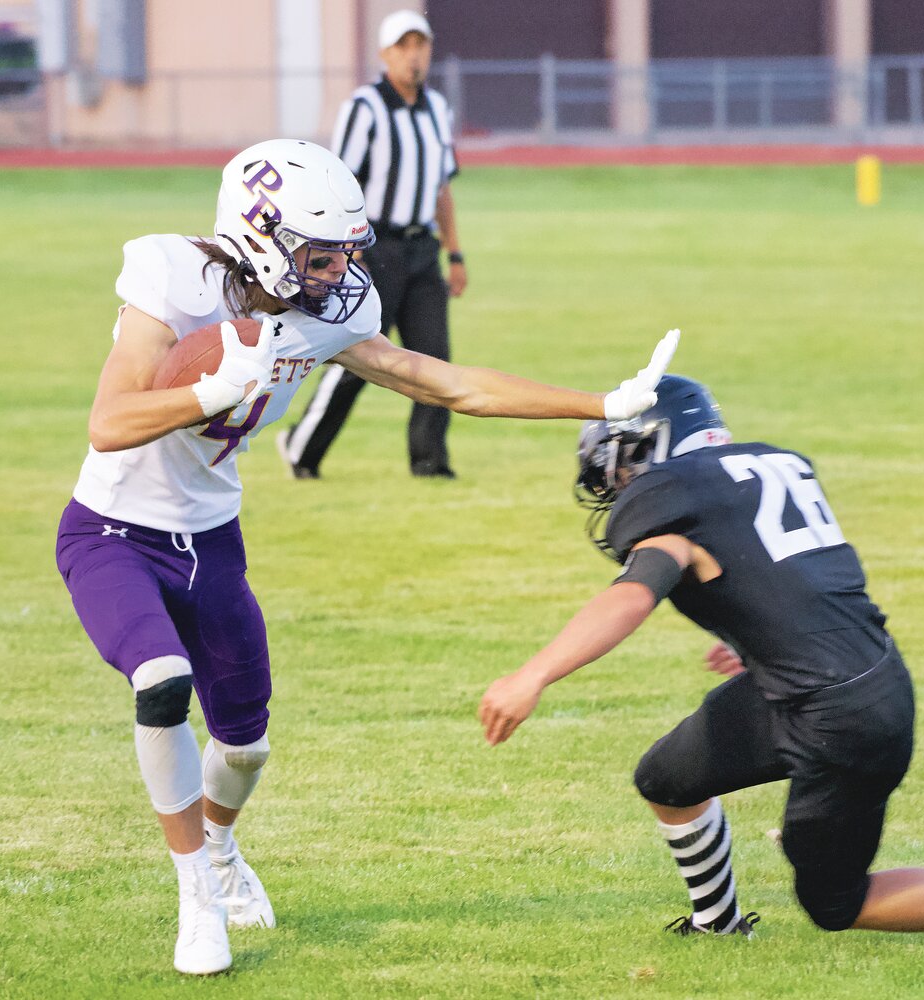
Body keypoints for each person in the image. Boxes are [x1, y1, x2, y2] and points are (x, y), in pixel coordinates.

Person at [54, 136, 680, 976]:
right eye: (319, 250)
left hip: (213, 540)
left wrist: (603, 401)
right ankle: (196, 896)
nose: (337, 268)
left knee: (245, 745)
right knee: (161, 682)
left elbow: (448, 385)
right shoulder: (174, 277)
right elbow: (108, 422)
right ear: (262, 233)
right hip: (113, 532)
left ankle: (223, 848)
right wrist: (213, 388)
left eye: (345, 249)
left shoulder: (326, 310)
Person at [477, 375, 924, 943]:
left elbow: (633, 596)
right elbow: (791, 570)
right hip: (818, 680)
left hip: (841, 716)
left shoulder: (673, 503)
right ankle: (718, 923)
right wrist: (760, 636)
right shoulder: (768, 465)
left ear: (654, 445)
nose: (613, 483)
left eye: (617, 465)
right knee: (667, 780)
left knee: (837, 902)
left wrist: (533, 674)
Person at [277, 9, 466, 480]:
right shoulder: (366, 107)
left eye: (420, 44)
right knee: (357, 356)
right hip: (373, 249)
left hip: (422, 249)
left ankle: (429, 462)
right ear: (385, 54)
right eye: (402, 46)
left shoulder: (437, 109)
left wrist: (455, 252)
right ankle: (303, 448)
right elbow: (339, 182)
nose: (413, 55)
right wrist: (348, 252)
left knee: (433, 356)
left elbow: (443, 187)